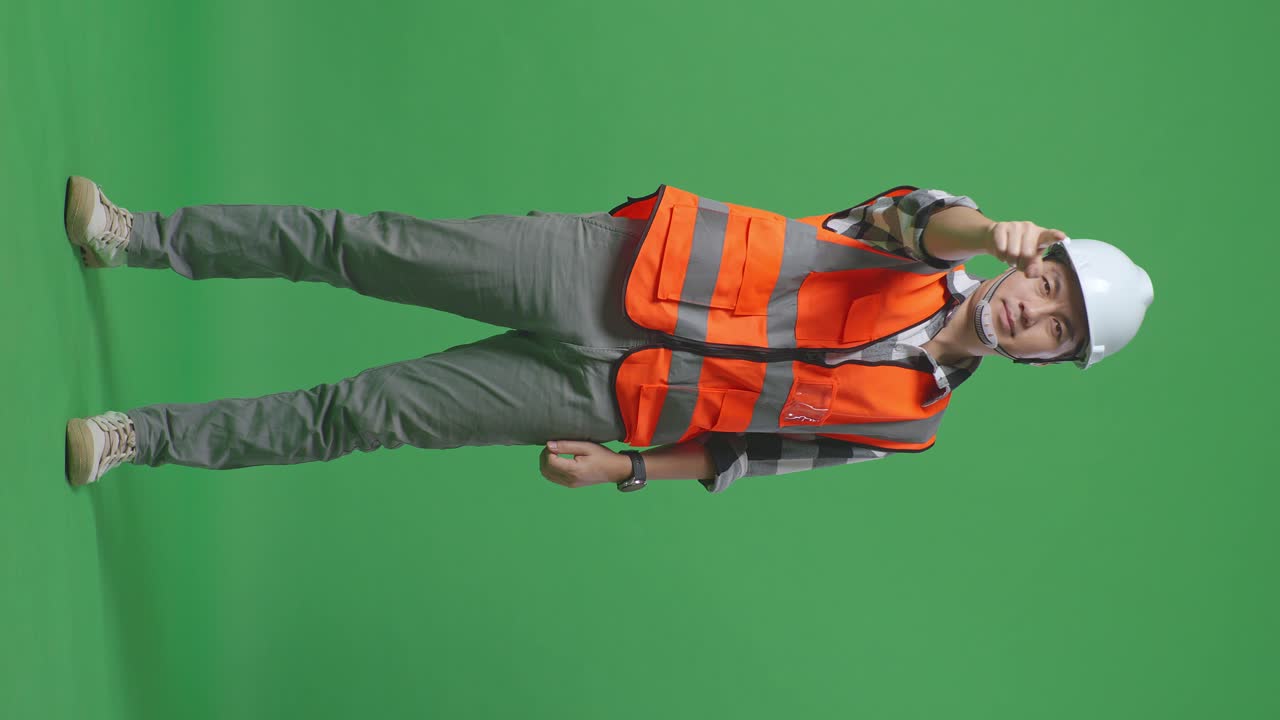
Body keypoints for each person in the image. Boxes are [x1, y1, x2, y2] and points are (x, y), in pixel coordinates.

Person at [62, 176, 1153, 493]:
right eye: (1046, 279)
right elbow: (915, 215)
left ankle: (139, 438)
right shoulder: (921, 246)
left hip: (606, 400)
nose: (1034, 309)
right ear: (1030, 258)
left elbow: (746, 454)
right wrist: (985, 228)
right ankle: (136, 235)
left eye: (1056, 328)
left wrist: (625, 470)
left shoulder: (907, 427)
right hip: (606, 271)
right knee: (366, 246)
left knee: (366, 414)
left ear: (1050, 358)